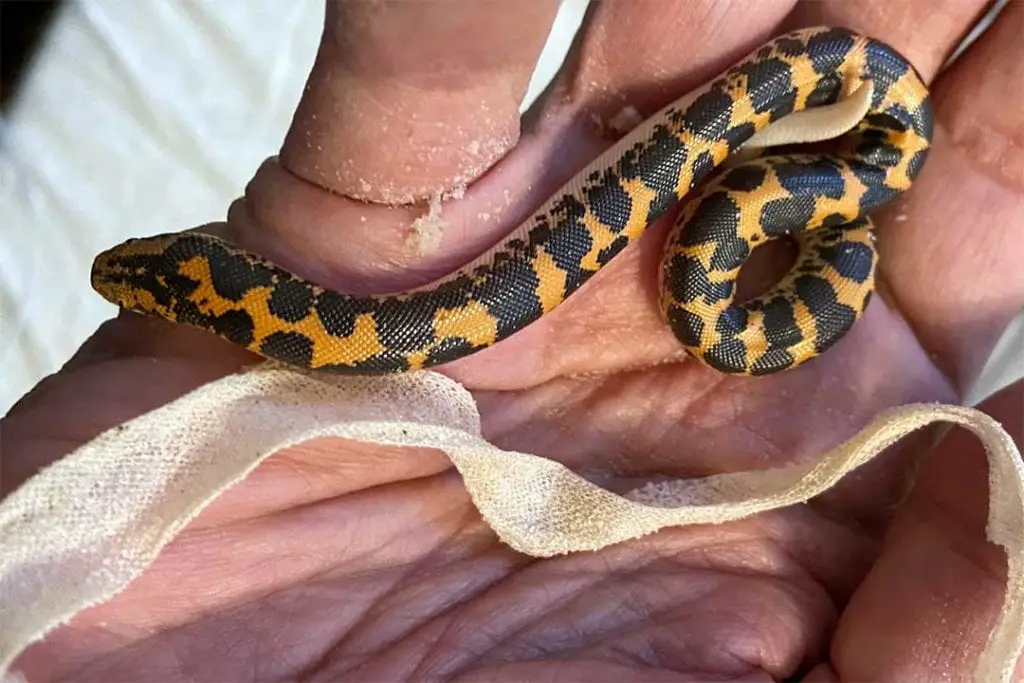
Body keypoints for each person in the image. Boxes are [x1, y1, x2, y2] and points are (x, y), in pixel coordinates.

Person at [3, 1, 1022, 680]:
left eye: (156, 274)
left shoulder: (354, 331)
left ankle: (839, 191)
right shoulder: (344, 328)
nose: (140, 278)